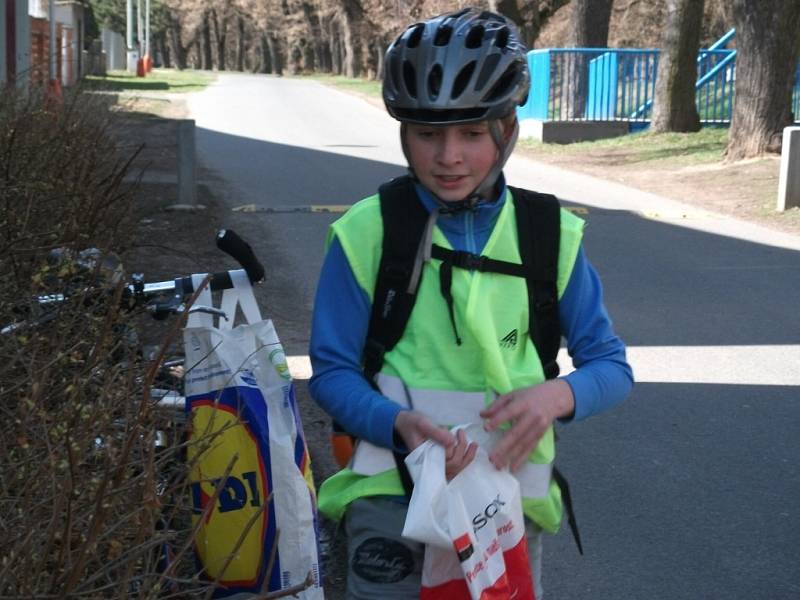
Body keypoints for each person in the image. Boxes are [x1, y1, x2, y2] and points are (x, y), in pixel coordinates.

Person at [309, 8, 633, 599]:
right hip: (392, 494)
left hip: (506, 503)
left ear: (507, 130)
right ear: (404, 133)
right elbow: (331, 372)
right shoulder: (366, 234)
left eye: (472, 133)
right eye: (428, 134)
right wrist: (396, 423)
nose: (448, 156)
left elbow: (611, 366)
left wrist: (557, 396)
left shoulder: (550, 235)